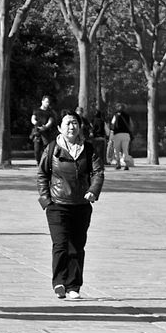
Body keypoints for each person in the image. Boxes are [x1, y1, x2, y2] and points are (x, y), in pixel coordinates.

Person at [36, 112, 104, 300]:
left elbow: (98, 172)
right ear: (59, 128)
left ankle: (73, 286)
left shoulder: (88, 149)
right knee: (60, 244)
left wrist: (93, 191)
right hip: (57, 204)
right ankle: (59, 282)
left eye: (74, 123)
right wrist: (46, 201)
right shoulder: (51, 149)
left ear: (80, 126)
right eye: (67, 124)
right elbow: (42, 175)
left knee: (77, 246)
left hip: (81, 204)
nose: (71, 127)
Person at [30, 96, 59, 165]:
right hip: (37, 133)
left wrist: (45, 127)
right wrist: (36, 124)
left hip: (46, 133)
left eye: (48, 102)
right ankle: (38, 161)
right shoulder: (36, 110)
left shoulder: (50, 112)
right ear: (42, 101)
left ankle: (45, 163)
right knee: (36, 150)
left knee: (46, 149)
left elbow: (50, 121)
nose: (47, 104)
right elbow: (33, 118)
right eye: (46, 102)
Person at [110, 104, 134, 170]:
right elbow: (131, 125)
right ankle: (126, 164)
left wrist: (112, 133)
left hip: (117, 134)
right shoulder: (127, 116)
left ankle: (118, 164)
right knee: (125, 150)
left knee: (117, 150)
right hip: (126, 134)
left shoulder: (115, 115)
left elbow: (112, 125)